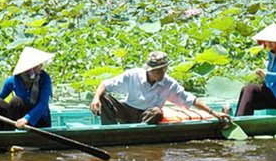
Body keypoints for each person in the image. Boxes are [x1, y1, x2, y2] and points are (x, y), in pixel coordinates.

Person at [89, 51, 231, 125]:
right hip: (127, 110)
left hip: (147, 115)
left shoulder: (168, 83)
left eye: (164, 69)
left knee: (157, 112)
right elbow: (105, 84)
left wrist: (214, 113)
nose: (162, 73)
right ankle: (111, 131)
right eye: (158, 70)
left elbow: (190, 99)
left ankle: (139, 132)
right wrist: (96, 98)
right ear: (149, 70)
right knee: (103, 97)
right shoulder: (132, 75)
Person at [234, 23, 276, 116]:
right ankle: (239, 117)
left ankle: (242, 120)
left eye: (273, 41)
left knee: (250, 88)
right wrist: (263, 78)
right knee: (246, 89)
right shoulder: (271, 54)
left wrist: (267, 75)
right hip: (273, 92)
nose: (269, 44)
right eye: (268, 41)